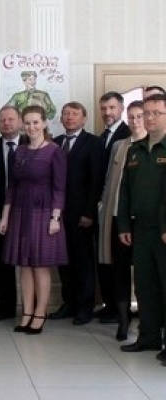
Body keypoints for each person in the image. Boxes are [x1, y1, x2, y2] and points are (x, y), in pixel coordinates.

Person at [0, 105, 67, 334]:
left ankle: (40, 312)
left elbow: (59, 188)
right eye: (27, 123)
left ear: (44, 123)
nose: (31, 127)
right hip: (20, 211)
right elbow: (11, 187)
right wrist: (5, 217)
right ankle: (27, 312)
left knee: (40, 265)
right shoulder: (19, 151)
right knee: (24, 266)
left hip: (44, 212)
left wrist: (55, 217)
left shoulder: (54, 151)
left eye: (36, 122)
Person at [117, 94, 166, 364]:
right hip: (141, 229)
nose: (149, 118)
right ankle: (148, 337)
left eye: (156, 113)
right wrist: (124, 224)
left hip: (163, 230)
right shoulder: (135, 150)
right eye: (146, 112)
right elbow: (125, 190)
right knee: (145, 286)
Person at [49, 102, 102, 325]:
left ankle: (85, 307)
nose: (69, 117)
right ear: (61, 118)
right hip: (59, 213)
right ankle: (69, 303)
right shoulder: (55, 143)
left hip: (81, 214)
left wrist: (89, 212)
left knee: (83, 262)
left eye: (74, 114)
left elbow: (96, 180)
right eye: (66, 114)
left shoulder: (93, 143)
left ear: (84, 118)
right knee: (63, 261)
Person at [98, 100, 147, 341]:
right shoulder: (119, 146)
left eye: (140, 116)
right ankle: (123, 320)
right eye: (132, 117)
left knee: (145, 273)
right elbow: (109, 180)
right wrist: (102, 207)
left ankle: (148, 322)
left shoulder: (155, 144)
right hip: (118, 218)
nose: (135, 121)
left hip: (144, 221)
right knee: (119, 271)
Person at [0, 105, 27, 322]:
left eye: (11, 119)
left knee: (29, 261)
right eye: (2, 120)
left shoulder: (31, 143)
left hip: (27, 210)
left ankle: (31, 309)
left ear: (20, 121)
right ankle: (6, 308)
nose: (6, 123)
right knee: (3, 261)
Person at [96, 92, 130, 323]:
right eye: (104, 108)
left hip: (121, 210)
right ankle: (109, 305)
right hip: (105, 207)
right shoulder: (103, 136)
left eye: (112, 108)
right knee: (105, 260)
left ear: (121, 108)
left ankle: (121, 311)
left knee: (119, 265)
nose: (107, 112)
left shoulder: (128, 135)